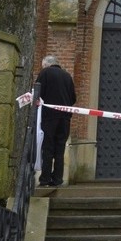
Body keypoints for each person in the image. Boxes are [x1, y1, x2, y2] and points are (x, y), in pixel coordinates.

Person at [35, 54, 76, 188]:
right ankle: (57, 179)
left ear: (46, 65)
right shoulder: (67, 76)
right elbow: (73, 98)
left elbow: (37, 94)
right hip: (65, 118)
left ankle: (45, 179)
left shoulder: (45, 73)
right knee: (60, 148)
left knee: (47, 147)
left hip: (49, 117)